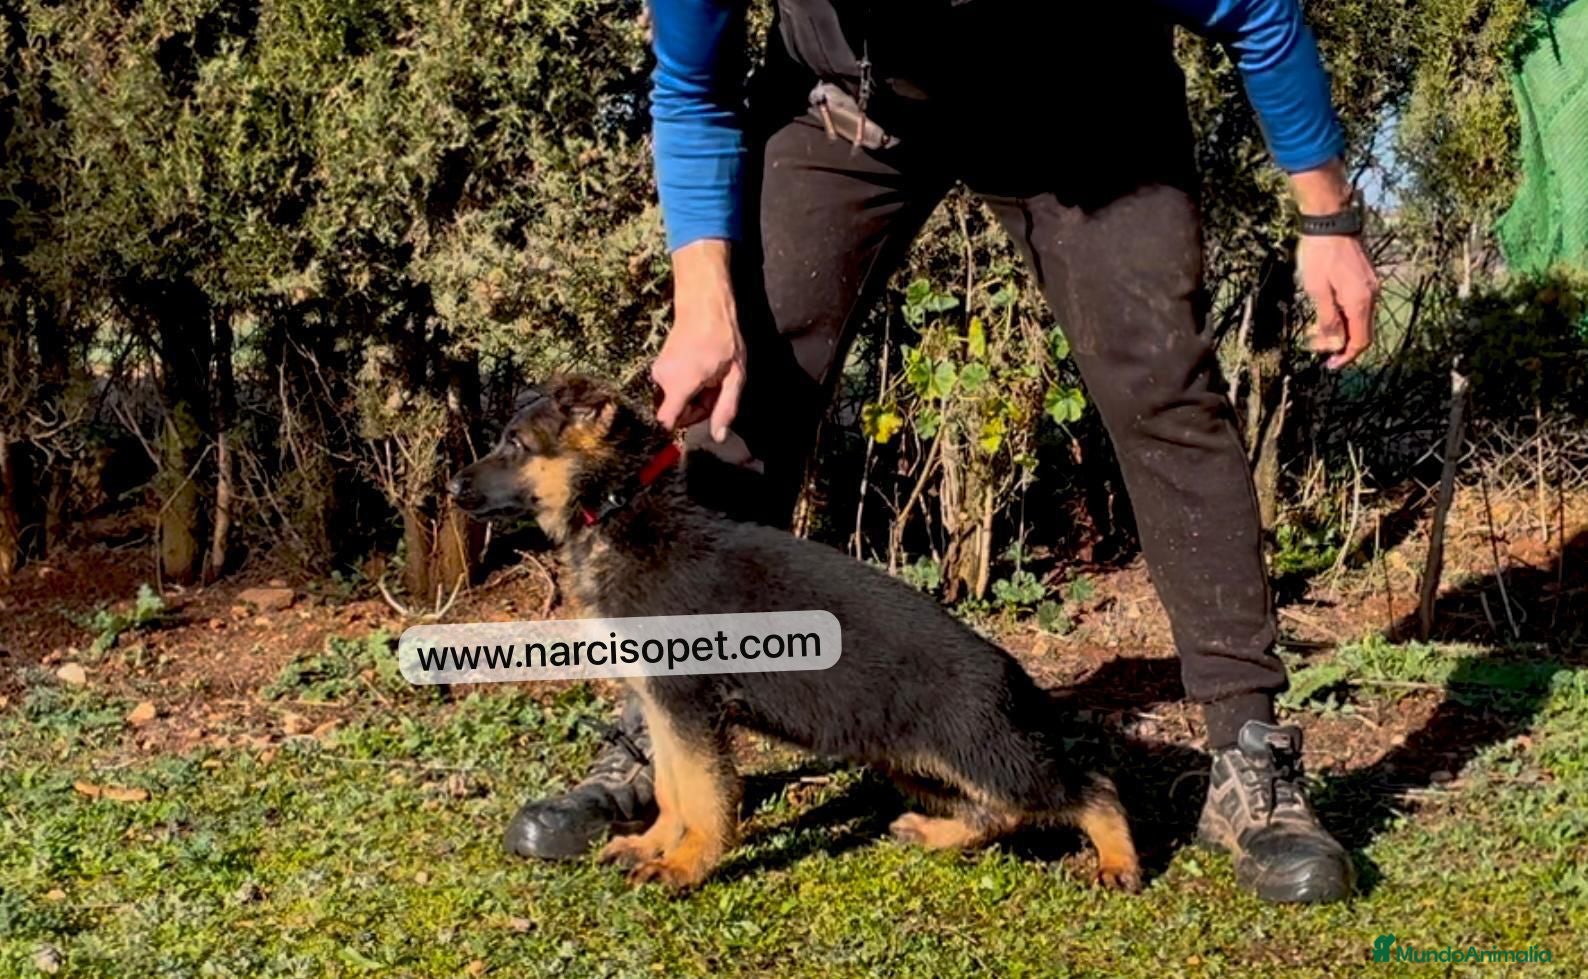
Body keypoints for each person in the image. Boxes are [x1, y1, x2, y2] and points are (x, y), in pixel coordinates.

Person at [505, 0, 1378, 904]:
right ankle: (663, 717)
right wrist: (702, 299)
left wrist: (1328, 222)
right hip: (850, 103)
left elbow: (1259, 12)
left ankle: (1249, 758)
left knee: (1166, 393)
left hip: (1086, 102)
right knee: (738, 394)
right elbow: (693, 84)